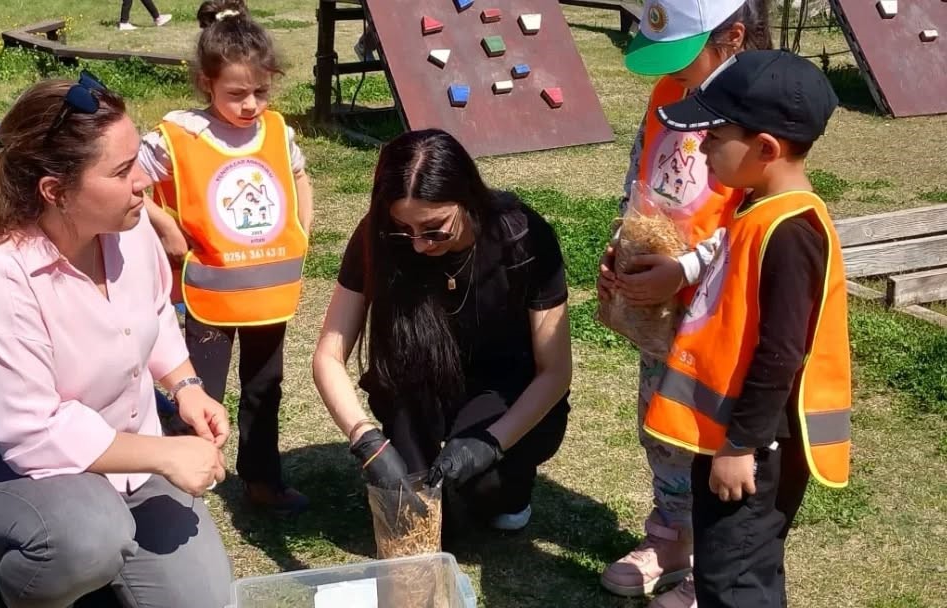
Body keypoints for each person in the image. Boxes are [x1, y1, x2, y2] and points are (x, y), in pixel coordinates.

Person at [0, 75, 233, 608]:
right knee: (86, 539)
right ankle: (40, 589)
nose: (143, 181)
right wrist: (163, 454)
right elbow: (32, 433)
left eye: (136, 158)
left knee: (204, 601)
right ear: (55, 191)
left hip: (123, 447)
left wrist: (186, 385)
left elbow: (156, 314)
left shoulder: (127, 227)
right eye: (121, 171)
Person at [648, 49, 850, 608]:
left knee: (735, 581)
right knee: (727, 569)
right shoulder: (758, 208)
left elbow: (782, 353)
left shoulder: (791, 231)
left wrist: (741, 446)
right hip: (734, 439)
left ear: (765, 149)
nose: (704, 145)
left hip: (756, 447)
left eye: (716, 135)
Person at [597, 1, 772, 605]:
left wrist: (687, 268)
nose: (674, 73)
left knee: (707, 425)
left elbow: (758, 213)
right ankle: (671, 536)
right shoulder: (671, 91)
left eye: (684, 55)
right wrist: (623, 243)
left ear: (733, 37)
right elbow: (642, 172)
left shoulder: (759, 109)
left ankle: (714, 562)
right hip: (657, 301)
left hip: (718, 304)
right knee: (661, 418)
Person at [312, 129, 572, 532]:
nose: (418, 245)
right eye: (405, 229)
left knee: (481, 491)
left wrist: (491, 442)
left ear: (468, 197)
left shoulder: (521, 237)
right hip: (418, 382)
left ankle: (512, 483)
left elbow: (555, 372)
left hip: (504, 388)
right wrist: (365, 439)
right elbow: (329, 356)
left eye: (434, 229)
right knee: (418, 515)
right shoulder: (378, 235)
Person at [141, 0, 315, 516]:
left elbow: (298, 176)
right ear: (205, 83)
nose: (251, 105)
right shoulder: (178, 135)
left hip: (267, 294)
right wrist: (167, 227)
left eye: (261, 92)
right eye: (237, 94)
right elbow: (130, 181)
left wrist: (302, 227)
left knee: (265, 389)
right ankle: (179, 486)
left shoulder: (278, 131)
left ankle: (262, 481)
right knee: (201, 392)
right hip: (208, 294)